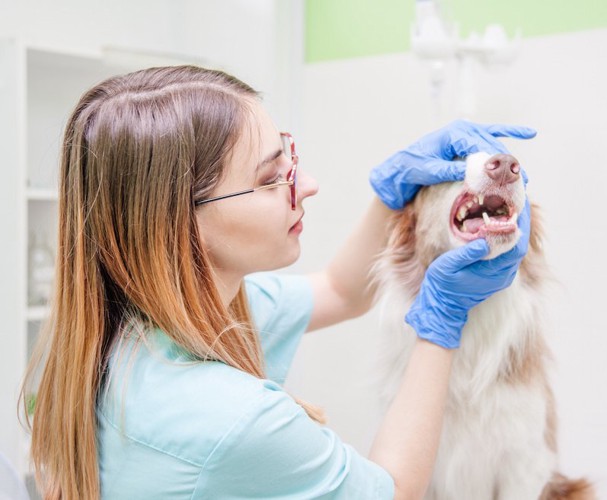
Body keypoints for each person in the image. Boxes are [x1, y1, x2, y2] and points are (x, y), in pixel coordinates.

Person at [22, 65, 535, 499]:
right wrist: (442, 316)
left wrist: (390, 192)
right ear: (181, 226)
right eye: (271, 179)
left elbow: (340, 290)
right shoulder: (231, 419)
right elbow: (393, 491)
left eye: (289, 158)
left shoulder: (149, 327)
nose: (306, 185)